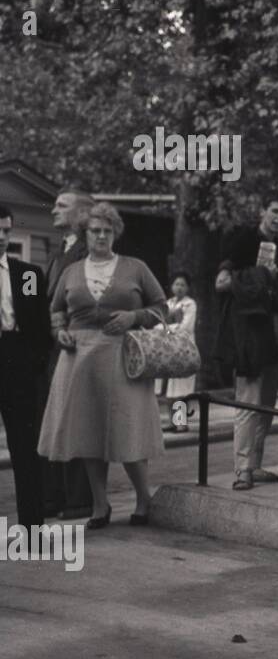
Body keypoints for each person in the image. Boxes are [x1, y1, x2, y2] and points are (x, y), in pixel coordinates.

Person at [38, 202, 169, 527]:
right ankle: (100, 505)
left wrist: (133, 317)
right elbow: (55, 310)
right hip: (78, 360)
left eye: (107, 231)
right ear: (85, 234)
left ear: (115, 234)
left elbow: (161, 307)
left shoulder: (135, 267)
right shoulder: (71, 271)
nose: (101, 236)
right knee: (88, 433)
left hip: (123, 357)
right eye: (95, 231)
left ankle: (143, 499)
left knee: (127, 428)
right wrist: (60, 332)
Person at [215, 195, 278, 490]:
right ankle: (242, 469)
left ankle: (255, 464)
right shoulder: (243, 239)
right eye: (275, 210)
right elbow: (222, 282)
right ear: (263, 211)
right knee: (248, 399)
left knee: (267, 401)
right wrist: (260, 275)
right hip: (248, 330)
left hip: (274, 328)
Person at [42, 187, 94, 519]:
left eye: (62, 206)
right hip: (52, 350)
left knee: (75, 423)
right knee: (55, 424)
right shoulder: (57, 252)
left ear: (82, 215)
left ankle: (79, 499)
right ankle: (57, 498)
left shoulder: (90, 253)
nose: (53, 210)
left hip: (77, 348)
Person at [0, 204, 51, 527]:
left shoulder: (27, 275)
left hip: (16, 358)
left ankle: (31, 526)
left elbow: (40, 326)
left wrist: (33, 362)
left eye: (6, 230)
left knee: (24, 447)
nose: (1, 237)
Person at [153, 272, 198, 430]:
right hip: (169, 349)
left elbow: (185, 327)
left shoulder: (190, 304)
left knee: (180, 389)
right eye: (176, 284)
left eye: (182, 285)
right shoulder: (168, 304)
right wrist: (168, 327)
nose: (179, 288)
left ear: (188, 288)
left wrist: (167, 328)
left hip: (184, 349)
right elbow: (158, 324)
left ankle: (181, 423)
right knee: (169, 388)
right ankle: (173, 422)